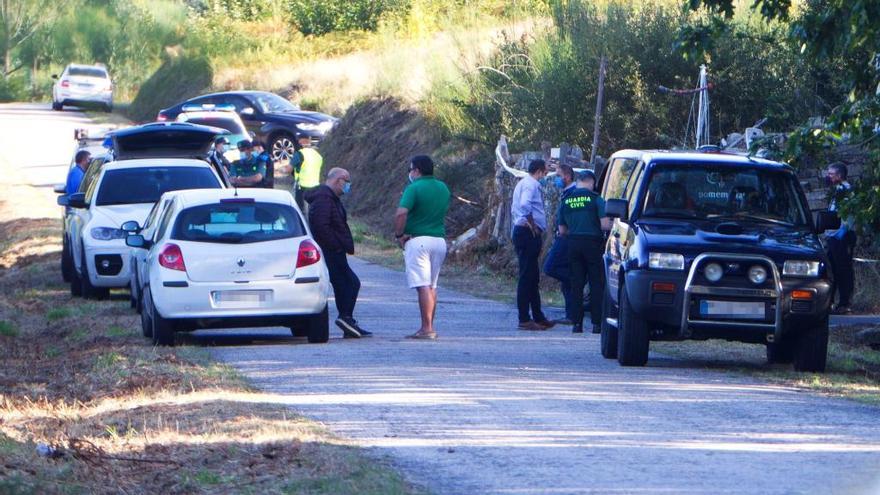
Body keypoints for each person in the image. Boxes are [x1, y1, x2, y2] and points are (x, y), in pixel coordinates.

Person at [305, 167, 371, 338]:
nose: (348, 185)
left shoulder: (330, 198)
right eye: (346, 181)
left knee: (347, 284)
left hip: (334, 251)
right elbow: (321, 226)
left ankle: (347, 320)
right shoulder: (324, 199)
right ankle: (345, 317)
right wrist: (335, 245)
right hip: (330, 252)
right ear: (338, 180)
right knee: (350, 283)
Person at [393, 155, 450, 340]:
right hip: (439, 240)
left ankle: (426, 328)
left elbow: (401, 213)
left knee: (422, 285)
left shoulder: (413, 188)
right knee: (432, 285)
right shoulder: (443, 188)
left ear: (417, 170)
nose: (410, 173)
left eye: (410, 169)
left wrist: (399, 235)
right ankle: (430, 325)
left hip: (418, 241)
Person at [558, 169, 611, 334]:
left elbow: (562, 230)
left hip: (573, 243)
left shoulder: (566, 200)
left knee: (576, 284)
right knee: (596, 283)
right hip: (593, 244)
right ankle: (596, 324)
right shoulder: (596, 199)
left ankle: (577, 324)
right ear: (592, 182)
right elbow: (605, 225)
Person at [511, 159, 555, 331]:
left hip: (526, 232)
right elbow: (524, 204)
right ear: (539, 171)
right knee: (526, 276)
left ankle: (538, 315)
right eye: (544, 172)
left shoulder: (525, 183)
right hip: (527, 233)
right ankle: (524, 317)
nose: (545, 176)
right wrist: (533, 224)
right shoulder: (531, 184)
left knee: (532, 276)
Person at [543, 163, 577, 325]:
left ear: (567, 176)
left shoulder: (572, 193)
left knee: (550, 267)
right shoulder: (566, 192)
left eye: (558, 176)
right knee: (565, 283)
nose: (556, 179)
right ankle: (571, 315)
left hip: (567, 237)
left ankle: (576, 281)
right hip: (564, 236)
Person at [824, 162, 857, 314]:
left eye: (831, 174)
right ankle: (830, 302)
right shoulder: (837, 191)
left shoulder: (846, 190)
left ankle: (844, 303)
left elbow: (848, 216)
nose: (828, 177)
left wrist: (841, 233)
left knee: (843, 269)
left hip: (842, 236)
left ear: (839, 176)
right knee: (831, 269)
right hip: (834, 236)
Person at [291, 134, 323, 210]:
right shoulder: (318, 155)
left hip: (301, 186)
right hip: (315, 186)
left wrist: (283, 169)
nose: (297, 142)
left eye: (298, 140)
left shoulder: (299, 154)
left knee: (300, 209)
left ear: (302, 141)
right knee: (313, 209)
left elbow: (289, 168)